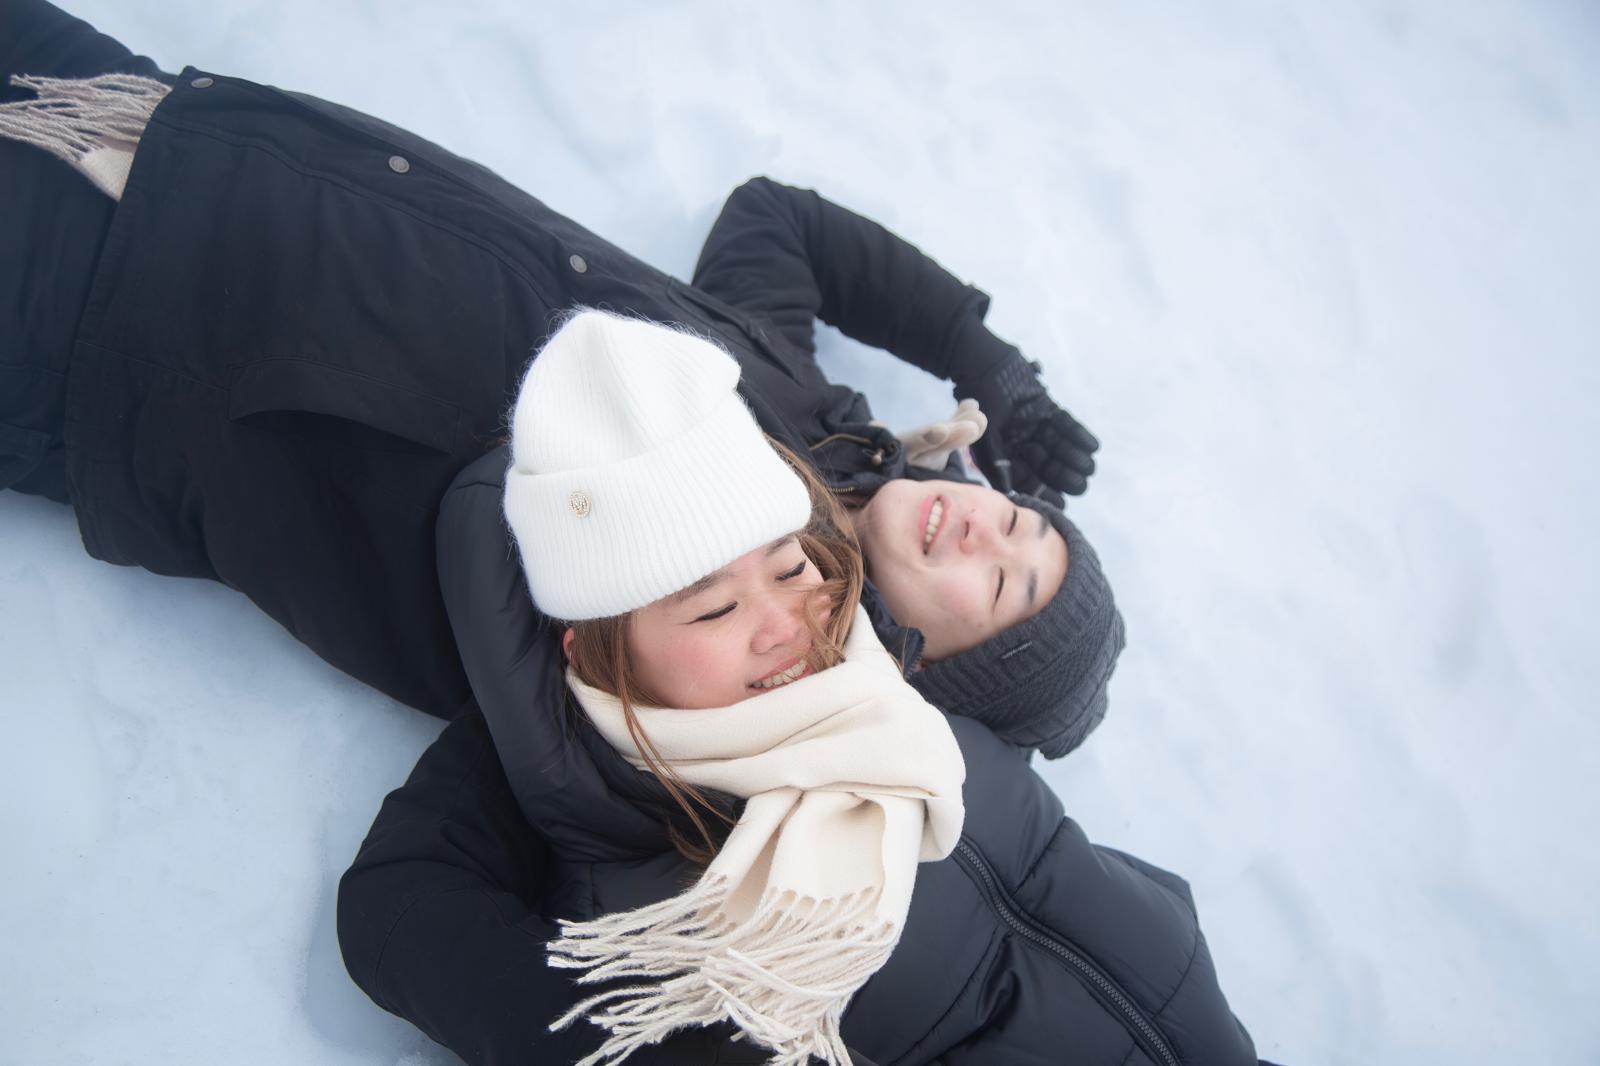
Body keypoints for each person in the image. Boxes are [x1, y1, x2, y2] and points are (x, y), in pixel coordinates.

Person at [1, 0, 1113, 760]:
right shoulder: (817, 423)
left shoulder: (707, 679)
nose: (987, 530)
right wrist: (985, 360)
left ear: (931, 674)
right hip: (163, 130)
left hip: (100, 337)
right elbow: (776, 223)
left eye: (1005, 588)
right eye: (1020, 524)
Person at [348, 307, 1255, 1065]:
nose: (789, 623)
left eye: (792, 567)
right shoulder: (606, 801)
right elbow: (397, 907)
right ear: (594, 658)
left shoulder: (887, 666)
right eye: (711, 610)